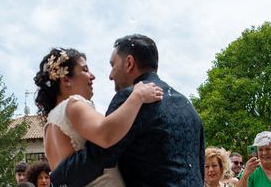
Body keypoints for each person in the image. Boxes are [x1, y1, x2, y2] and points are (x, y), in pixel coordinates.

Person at [50, 34, 205, 187]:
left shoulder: (131, 98)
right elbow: (199, 165)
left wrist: (57, 177)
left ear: (129, 63)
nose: (110, 76)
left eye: (113, 65)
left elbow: (100, 155)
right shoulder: (189, 107)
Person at [34, 46, 163, 186]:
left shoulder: (49, 126)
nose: (92, 76)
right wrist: (138, 96)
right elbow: (106, 134)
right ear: (66, 80)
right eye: (85, 70)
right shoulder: (73, 104)